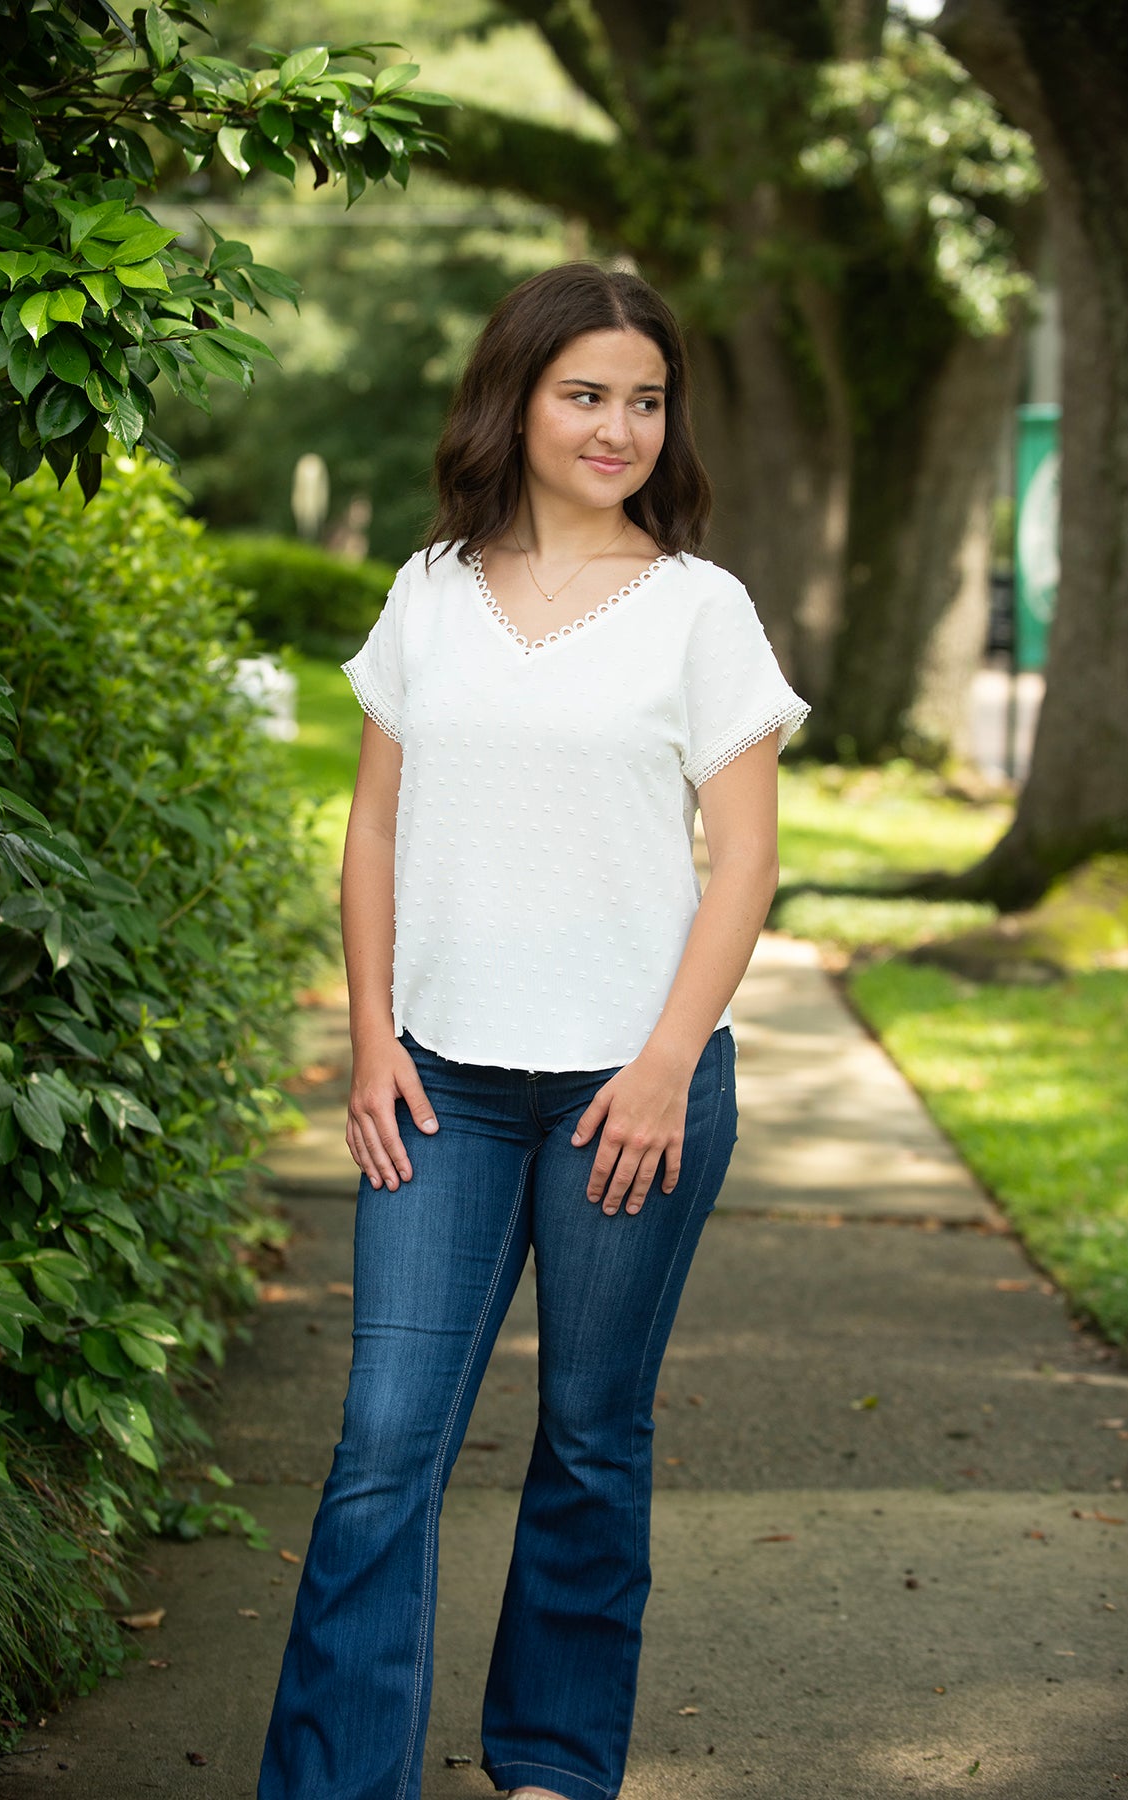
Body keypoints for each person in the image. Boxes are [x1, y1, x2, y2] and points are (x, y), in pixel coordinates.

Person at [257, 262, 809, 1800]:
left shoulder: (704, 610)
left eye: (645, 400)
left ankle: (553, 1767)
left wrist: (665, 1066)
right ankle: (332, 1782)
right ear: (521, 396)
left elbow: (748, 862)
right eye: (587, 394)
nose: (619, 426)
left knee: (588, 1433)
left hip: (632, 1091)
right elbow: (370, 832)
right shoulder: (429, 591)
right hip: (437, 1085)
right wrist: (373, 1042)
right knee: (383, 1445)